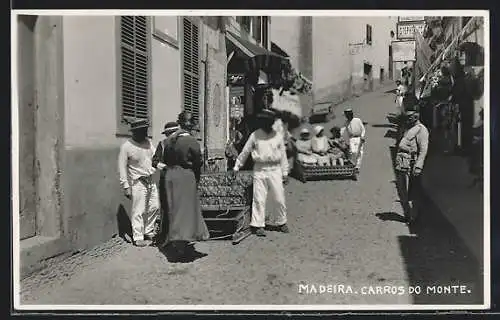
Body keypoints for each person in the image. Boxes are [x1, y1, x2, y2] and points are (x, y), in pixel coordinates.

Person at [233, 109, 289, 237]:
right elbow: (245, 152)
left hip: (275, 169)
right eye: (265, 122)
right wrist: (237, 166)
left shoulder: (278, 136)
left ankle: (281, 222)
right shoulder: (255, 135)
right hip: (259, 169)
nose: (267, 124)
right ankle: (258, 225)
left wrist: (285, 172)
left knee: (279, 197)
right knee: (259, 198)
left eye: (269, 122)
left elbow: (283, 156)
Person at [160, 120, 209, 258]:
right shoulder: (191, 141)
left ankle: (176, 241)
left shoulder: (168, 142)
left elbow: (165, 160)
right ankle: (181, 241)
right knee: (186, 211)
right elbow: (198, 161)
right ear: (191, 128)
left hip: (170, 176)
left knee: (174, 209)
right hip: (185, 176)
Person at [118, 119, 160, 247]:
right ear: (135, 132)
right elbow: (122, 167)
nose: (145, 133)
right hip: (137, 182)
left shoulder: (148, 143)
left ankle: (148, 231)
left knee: (155, 206)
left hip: (150, 180)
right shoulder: (127, 146)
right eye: (142, 130)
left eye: (146, 130)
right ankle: (138, 237)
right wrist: (126, 186)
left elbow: (155, 156)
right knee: (139, 210)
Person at [395, 110, 429, 225]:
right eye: (407, 117)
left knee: (413, 192)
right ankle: (408, 215)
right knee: (402, 190)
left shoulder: (421, 130)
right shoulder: (407, 128)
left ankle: (414, 217)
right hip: (402, 163)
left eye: (410, 117)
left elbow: (423, 150)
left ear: (416, 117)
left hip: (411, 163)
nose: (408, 119)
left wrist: (419, 165)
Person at [152, 122, 180, 244]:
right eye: (169, 134)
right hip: (166, 180)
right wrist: (165, 167)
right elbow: (154, 161)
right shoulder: (162, 145)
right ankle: (165, 236)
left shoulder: (183, 144)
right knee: (166, 208)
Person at [343, 108, 366, 174]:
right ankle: (353, 164)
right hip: (351, 139)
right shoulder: (346, 123)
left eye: (349, 114)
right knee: (353, 152)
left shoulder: (357, 120)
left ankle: (357, 167)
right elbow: (344, 132)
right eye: (346, 115)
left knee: (360, 152)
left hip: (359, 138)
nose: (348, 116)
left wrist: (362, 136)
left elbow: (363, 129)